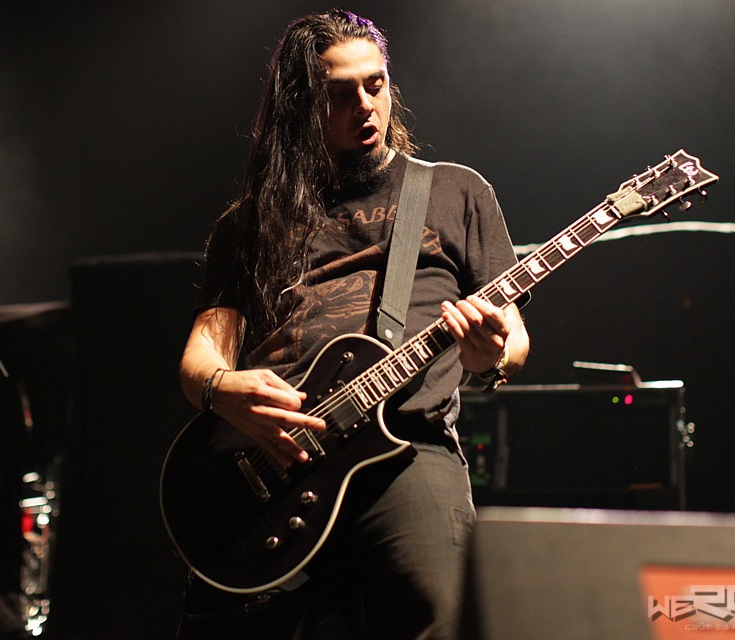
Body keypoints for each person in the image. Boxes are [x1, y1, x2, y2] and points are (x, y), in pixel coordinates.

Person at [175, 9, 529, 639]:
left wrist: (490, 356)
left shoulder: (455, 193)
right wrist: (223, 390)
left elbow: (514, 337)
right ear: (300, 107)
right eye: (339, 94)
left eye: (375, 84)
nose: (365, 106)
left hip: (406, 450)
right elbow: (201, 356)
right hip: (269, 467)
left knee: (439, 616)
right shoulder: (249, 223)